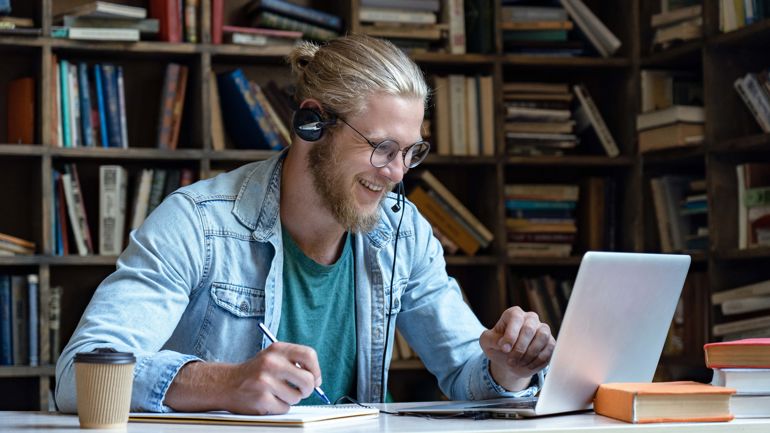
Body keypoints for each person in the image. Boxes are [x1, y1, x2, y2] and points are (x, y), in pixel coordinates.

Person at [55, 34, 555, 415]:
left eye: (409, 153)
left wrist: (507, 370)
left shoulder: (404, 233)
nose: (398, 174)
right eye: (382, 148)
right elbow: (80, 376)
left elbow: (467, 372)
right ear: (312, 123)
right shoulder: (196, 223)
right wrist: (226, 383)